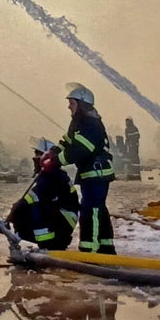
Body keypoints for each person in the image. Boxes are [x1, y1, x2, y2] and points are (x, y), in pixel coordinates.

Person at [57, 83, 115, 254]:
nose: (69, 106)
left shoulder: (90, 124)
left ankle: (92, 251)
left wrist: (57, 161)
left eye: (72, 103)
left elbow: (80, 150)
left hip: (97, 174)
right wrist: (52, 153)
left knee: (92, 211)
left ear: (81, 104)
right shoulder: (78, 122)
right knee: (97, 209)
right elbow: (67, 142)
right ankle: (105, 247)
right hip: (91, 174)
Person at [8, 138, 81, 250]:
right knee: (23, 210)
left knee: (34, 207)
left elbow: (36, 196)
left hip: (65, 221)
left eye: (38, 154)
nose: (35, 158)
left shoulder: (54, 175)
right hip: (60, 217)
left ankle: (49, 244)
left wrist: (17, 208)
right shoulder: (47, 174)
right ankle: (44, 242)